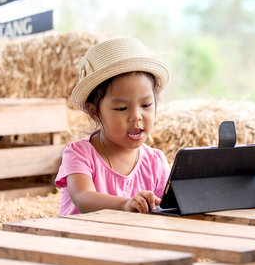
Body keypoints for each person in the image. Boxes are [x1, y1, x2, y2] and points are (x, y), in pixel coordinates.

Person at [55, 37, 171, 215]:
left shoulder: (155, 162)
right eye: (121, 108)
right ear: (95, 112)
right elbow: (83, 198)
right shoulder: (79, 153)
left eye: (146, 105)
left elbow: (167, 208)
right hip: (80, 240)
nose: (136, 116)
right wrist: (125, 205)